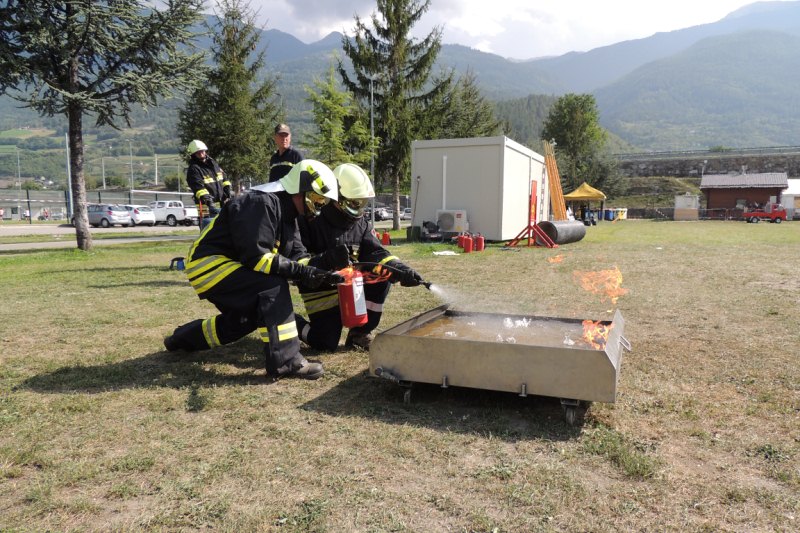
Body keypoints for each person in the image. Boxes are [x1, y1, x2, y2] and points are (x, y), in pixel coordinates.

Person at [163, 160, 350, 380]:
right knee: (272, 286)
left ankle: (180, 339)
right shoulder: (261, 202)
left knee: (244, 321)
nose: (318, 208)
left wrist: (325, 264)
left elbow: (299, 260)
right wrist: (303, 273)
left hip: (229, 267)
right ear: (300, 189)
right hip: (209, 263)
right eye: (317, 200)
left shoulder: (289, 218)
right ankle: (288, 362)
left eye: (323, 202)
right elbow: (257, 258)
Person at [295, 163, 424, 351]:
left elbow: (376, 253)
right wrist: (327, 261)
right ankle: (292, 323)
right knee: (324, 342)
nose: (360, 208)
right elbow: (299, 263)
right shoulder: (311, 219)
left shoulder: (360, 222)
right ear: (337, 198)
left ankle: (359, 333)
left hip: (351, 284)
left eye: (362, 202)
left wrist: (399, 269)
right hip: (321, 287)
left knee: (382, 275)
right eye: (355, 202)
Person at [185, 140, 232, 228]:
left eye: (202, 151)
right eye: (198, 152)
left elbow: (224, 177)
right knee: (208, 231)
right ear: (193, 154)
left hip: (221, 204)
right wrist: (209, 203)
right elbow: (198, 188)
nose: (201, 153)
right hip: (205, 207)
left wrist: (227, 189)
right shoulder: (194, 169)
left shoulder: (213, 163)